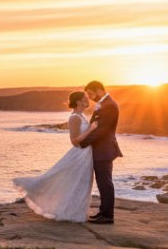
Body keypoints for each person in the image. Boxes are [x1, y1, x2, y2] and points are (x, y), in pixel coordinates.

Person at [12, 91, 96, 222]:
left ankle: (78, 212)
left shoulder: (82, 116)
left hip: (86, 155)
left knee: (82, 183)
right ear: (78, 101)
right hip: (79, 155)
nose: (88, 100)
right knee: (76, 182)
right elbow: (74, 141)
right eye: (85, 98)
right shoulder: (74, 117)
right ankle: (71, 213)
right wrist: (91, 129)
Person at [76, 80, 121, 224]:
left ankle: (108, 216)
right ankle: (103, 212)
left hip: (104, 150)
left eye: (90, 93)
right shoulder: (104, 104)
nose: (89, 97)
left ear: (99, 90)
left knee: (105, 183)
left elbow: (102, 130)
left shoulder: (110, 106)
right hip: (101, 149)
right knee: (102, 182)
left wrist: (83, 143)